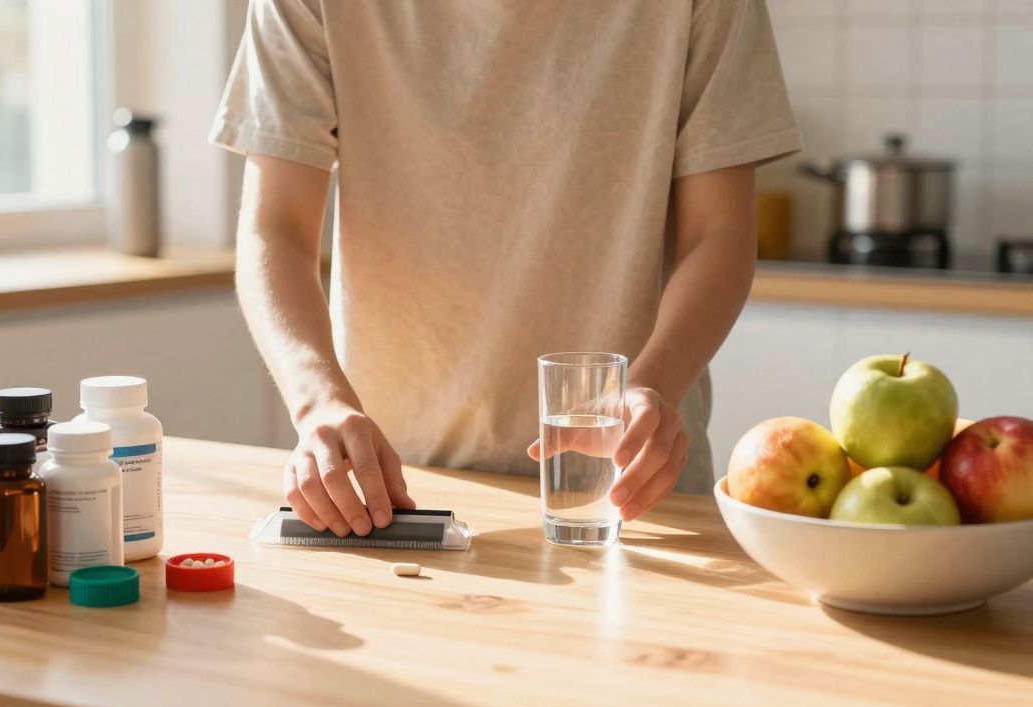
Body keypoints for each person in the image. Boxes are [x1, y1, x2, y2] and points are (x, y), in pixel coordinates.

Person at [211, 0, 802, 537]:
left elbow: (717, 234)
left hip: (626, 493)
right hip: (389, 493)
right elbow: (275, 230)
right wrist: (318, 403)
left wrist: (653, 385)